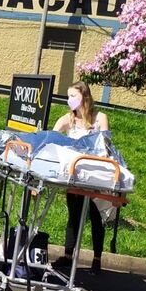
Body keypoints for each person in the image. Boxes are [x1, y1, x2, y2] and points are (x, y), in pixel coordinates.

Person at [52, 81, 110, 274]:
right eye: (68, 97)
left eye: (73, 96)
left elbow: (106, 146)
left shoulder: (100, 118)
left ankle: (97, 258)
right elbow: (52, 137)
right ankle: (68, 255)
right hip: (75, 175)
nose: (69, 101)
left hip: (95, 175)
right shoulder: (68, 119)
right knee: (74, 215)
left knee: (96, 217)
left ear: (84, 97)